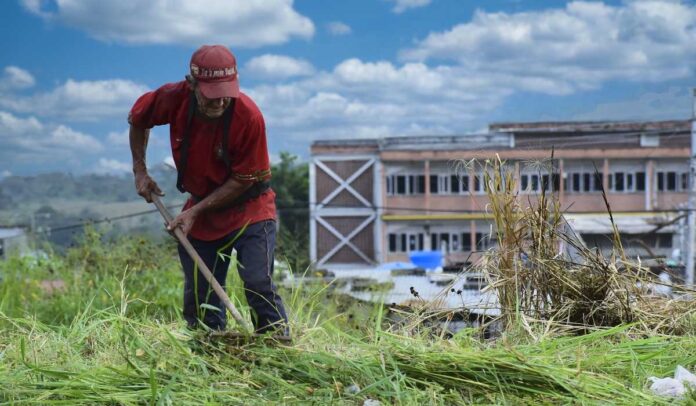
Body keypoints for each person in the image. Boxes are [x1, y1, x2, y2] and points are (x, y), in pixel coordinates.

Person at [127, 45, 288, 334]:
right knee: (201, 292)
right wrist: (140, 171)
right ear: (191, 85)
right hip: (201, 207)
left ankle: (277, 347)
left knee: (258, 282)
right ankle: (209, 350)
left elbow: (243, 180)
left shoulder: (249, 116)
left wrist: (195, 211)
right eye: (211, 95)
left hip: (250, 205)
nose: (220, 102)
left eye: (226, 93)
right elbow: (138, 120)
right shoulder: (172, 98)